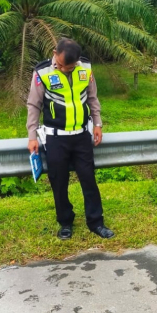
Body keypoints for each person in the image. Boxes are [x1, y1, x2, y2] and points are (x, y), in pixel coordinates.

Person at [27, 38, 114, 240]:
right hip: (56, 138)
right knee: (59, 182)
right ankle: (65, 222)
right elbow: (33, 105)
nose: (66, 69)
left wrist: (98, 123)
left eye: (70, 66)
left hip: (82, 136)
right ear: (54, 53)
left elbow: (92, 98)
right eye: (63, 65)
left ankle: (96, 222)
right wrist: (32, 135)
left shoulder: (85, 69)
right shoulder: (42, 72)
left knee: (88, 179)